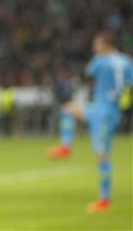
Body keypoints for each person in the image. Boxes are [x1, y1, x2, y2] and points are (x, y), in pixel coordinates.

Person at [46, 30, 133, 212]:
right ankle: (65, 146)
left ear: (105, 45)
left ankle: (104, 199)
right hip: (104, 109)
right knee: (68, 109)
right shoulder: (126, 62)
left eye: (97, 45)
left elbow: (88, 73)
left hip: (104, 114)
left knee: (102, 155)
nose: (95, 48)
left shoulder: (100, 61)